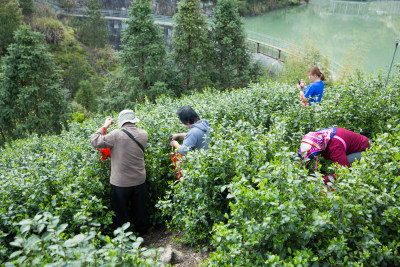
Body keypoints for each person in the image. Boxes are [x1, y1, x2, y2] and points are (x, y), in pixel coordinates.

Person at [90, 110, 149, 235]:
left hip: (120, 183)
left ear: (121, 122)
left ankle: (125, 237)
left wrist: (105, 126)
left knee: (120, 212)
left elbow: (94, 140)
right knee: (140, 209)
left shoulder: (116, 134)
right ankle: (142, 233)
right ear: (134, 120)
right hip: (139, 180)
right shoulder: (144, 134)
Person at [298, 127, 370, 184]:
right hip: (349, 149)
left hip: (366, 151)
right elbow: (305, 159)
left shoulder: (334, 146)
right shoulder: (318, 137)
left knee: (336, 173)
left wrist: (320, 181)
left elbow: (343, 172)